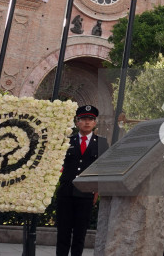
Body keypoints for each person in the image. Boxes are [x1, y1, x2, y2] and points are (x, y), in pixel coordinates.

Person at [56, 105, 109, 256]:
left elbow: (103, 170)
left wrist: (97, 191)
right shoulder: (67, 141)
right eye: (84, 119)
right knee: (63, 234)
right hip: (66, 193)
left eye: (91, 119)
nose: (87, 122)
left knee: (80, 235)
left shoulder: (102, 143)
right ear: (77, 121)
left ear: (95, 122)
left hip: (86, 194)